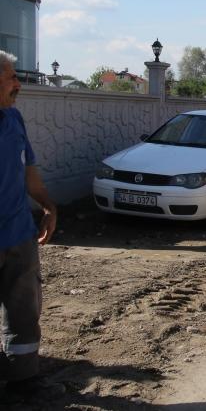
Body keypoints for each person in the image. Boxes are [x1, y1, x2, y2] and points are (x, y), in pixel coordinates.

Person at [0, 51, 61, 401]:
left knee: (24, 311)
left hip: (20, 234)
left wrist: (48, 206)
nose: (17, 84)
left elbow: (29, 173)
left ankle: (23, 378)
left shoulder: (14, 120)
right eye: (11, 77)